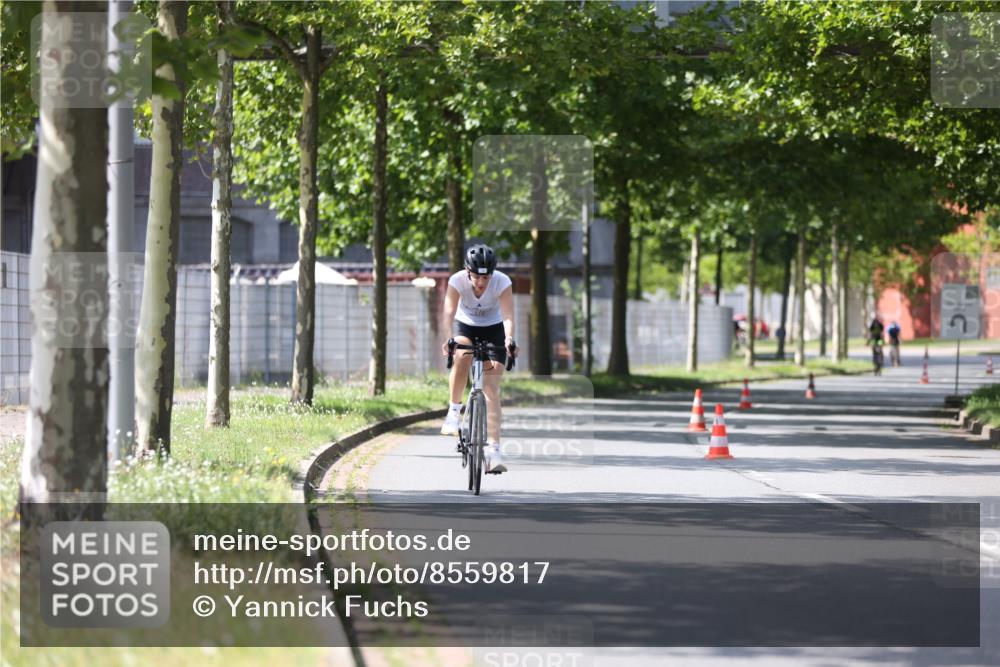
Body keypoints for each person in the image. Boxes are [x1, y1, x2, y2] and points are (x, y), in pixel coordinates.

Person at [440, 244, 517, 473]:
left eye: (486, 276)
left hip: (494, 329)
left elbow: (507, 316)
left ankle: (494, 451)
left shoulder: (502, 282)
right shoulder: (457, 281)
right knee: (463, 353)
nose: (481, 282)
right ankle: (454, 412)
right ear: (467, 272)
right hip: (466, 327)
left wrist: (509, 339)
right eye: (476, 276)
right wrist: (448, 339)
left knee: (492, 389)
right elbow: (448, 314)